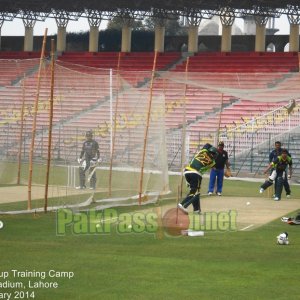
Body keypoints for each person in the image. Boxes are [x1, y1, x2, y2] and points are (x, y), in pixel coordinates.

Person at [178, 143, 218, 214]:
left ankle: (196, 210)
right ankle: (182, 205)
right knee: (195, 193)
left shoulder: (203, 151)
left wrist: (211, 147)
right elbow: (214, 167)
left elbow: (207, 144)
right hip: (196, 173)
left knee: (196, 191)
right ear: (214, 155)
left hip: (187, 171)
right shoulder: (212, 162)